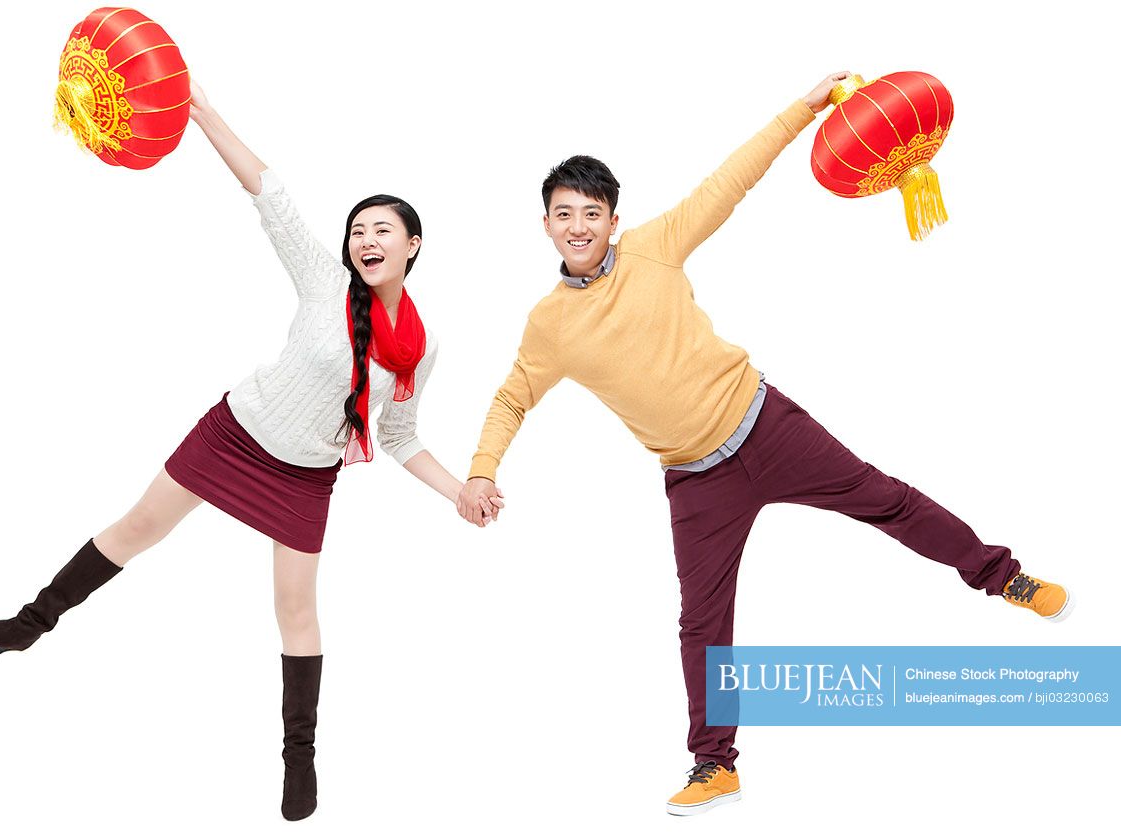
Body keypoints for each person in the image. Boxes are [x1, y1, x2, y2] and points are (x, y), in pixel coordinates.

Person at [455, 71, 1072, 816]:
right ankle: (714, 765)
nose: (578, 225)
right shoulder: (547, 325)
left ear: (615, 220)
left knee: (888, 500)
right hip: (694, 480)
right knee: (701, 621)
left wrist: (801, 109)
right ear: (546, 226)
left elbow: (729, 181)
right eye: (563, 214)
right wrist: (481, 471)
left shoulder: (655, 247)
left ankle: (1003, 577)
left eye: (592, 212)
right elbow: (512, 395)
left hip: (766, 425)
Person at [0, 81, 500, 822]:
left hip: (306, 476)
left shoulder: (421, 347)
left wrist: (461, 491)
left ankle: (299, 759)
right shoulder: (323, 283)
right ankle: (28, 624)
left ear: (413, 246)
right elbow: (270, 195)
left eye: (383, 231)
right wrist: (204, 114)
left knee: (294, 609)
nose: (366, 241)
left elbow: (401, 436)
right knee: (135, 531)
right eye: (358, 231)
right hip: (234, 433)